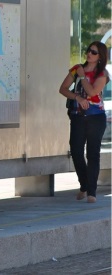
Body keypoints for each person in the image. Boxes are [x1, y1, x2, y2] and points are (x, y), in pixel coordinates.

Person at [59, 41, 109, 203]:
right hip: (78, 116)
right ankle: (84, 185)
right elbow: (63, 88)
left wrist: (82, 76)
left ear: (100, 57)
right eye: (89, 50)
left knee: (93, 153)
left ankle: (91, 192)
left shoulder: (102, 73)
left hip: (96, 117)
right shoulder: (76, 69)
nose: (89, 53)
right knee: (76, 151)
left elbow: (93, 92)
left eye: (94, 52)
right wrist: (77, 97)